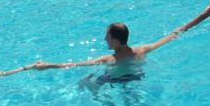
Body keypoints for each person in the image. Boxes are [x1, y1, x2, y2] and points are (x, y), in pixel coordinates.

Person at [33, 22, 178, 73]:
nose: (104, 39)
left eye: (107, 37)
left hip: (117, 81)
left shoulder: (109, 59)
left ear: (115, 41)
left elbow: (75, 64)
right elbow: (165, 40)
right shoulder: (142, 50)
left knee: (86, 81)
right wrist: (179, 30)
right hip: (137, 77)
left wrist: (48, 66)